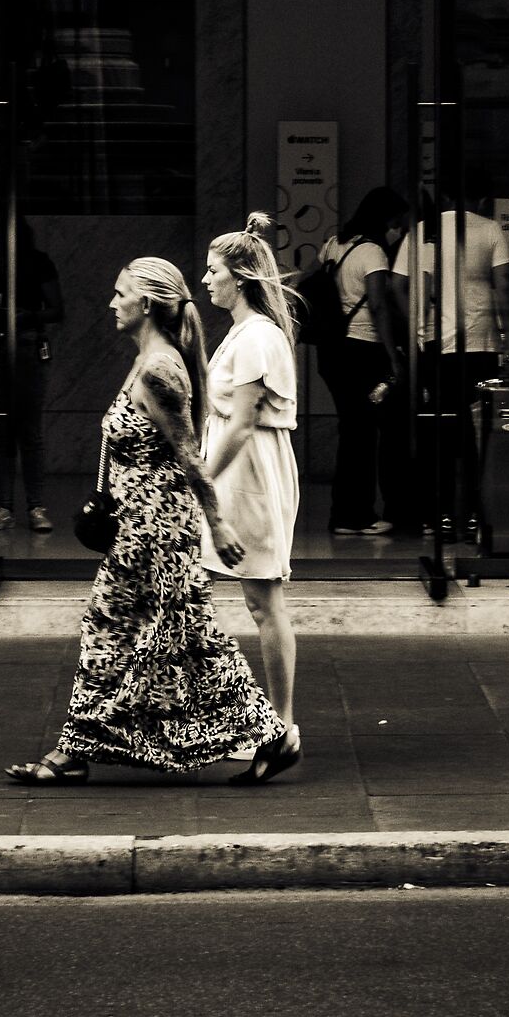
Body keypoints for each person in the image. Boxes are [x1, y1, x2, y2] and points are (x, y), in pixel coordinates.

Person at [5, 255, 300, 786]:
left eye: (120, 294)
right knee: (111, 631)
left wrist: (218, 523)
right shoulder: (146, 360)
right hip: (135, 531)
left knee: (184, 638)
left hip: (159, 533)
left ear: (145, 304)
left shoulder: (161, 370)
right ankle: (77, 749)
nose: (111, 303)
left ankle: (271, 733)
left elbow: (189, 456)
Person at [198, 211, 302, 749]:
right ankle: (265, 722)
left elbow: (241, 423)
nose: (205, 279)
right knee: (252, 601)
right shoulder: (245, 334)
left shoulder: (257, 337)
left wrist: (200, 480)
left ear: (238, 278)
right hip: (240, 475)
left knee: (264, 602)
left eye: (213, 270)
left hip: (249, 478)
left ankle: (281, 726)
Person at [414, 199, 509, 539]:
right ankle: (477, 514)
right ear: (482, 199)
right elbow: (504, 286)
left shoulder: (426, 230)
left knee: (443, 432)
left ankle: (442, 516)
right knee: (478, 434)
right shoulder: (490, 229)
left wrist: (419, 335)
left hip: (438, 346)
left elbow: (415, 287)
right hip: (480, 344)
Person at [317, 186, 412, 538]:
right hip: (364, 351)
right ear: (385, 219)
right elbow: (378, 306)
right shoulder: (373, 252)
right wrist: (393, 356)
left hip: (333, 351)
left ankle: (346, 513)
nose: (399, 231)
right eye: (397, 223)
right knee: (367, 432)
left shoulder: (334, 244)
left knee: (353, 430)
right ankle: (356, 515)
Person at [0, 220, 63, 536]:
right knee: (7, 431)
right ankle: (10, 507)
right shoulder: (1, 262)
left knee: (28, 432)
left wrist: (28, 316)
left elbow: (57, 309)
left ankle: (29, 506)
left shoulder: (38, 262)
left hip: (29, 344)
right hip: (7, 345)